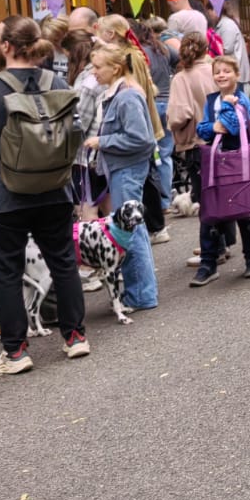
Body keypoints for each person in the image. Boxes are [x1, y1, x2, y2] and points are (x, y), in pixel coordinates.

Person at [0, 16, 89, 374]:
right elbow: (72, 133)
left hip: (5, 193)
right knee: (63, 262)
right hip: (55, 188)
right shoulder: (56, 81)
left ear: (5, 46)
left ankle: (15, 352)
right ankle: (75, 336)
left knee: (7, 271)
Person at [81, 45, 159, 311]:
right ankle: (141, 292)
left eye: (97, 67)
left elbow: (141, 139)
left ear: (115, 68)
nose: (93, 72)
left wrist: (102, 141)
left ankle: (141, 295)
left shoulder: (126, 96)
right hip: (122, 169)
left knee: (130, 230)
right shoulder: (118, 93)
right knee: (132, 229)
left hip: (127, 169)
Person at [190, 55, 250, 284]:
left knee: (243, 210)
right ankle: (208, 263)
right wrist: (214, 125)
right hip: (215, 161)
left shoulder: (242, 99)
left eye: (226, 71)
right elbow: (202, 129)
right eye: (217, 72)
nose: (221, 75)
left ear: (237, 75)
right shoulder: (211, 99)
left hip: (238, 161)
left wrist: (224, 110)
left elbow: (232, 126)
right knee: (209, 212)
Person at [132, 18, 176, 245]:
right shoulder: (163, 48)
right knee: (165, 155)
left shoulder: (139, 54)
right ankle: (166, 200)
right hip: (167, 103)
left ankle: (159, 202)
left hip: (151, 104)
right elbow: (178, 60)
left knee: (153, 157)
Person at [168, 33, 217, 211]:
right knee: (221, 194)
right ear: (206, 49)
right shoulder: (218, 71)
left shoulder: (181, 78)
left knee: (205, 200)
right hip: (221, 139)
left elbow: (179, 116)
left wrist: (170, 124)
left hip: (195, 142)